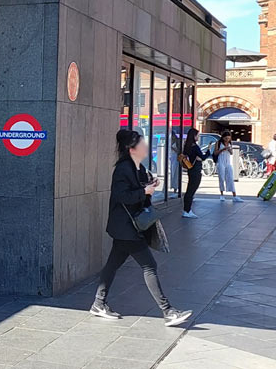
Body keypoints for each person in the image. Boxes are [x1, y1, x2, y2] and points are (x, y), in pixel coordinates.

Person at [91, 130, 192, 327]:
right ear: (131, 148)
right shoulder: (123, 168)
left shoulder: (137, 167)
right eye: (141, 143)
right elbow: (122, 196)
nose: (145, 146)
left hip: (128, 226)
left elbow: (139, 191)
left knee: (112, 265)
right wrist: (144, 191)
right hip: (126, 226)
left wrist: (150, 185)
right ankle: (168, 311)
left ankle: (98, 303)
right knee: (149, 266)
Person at [182, 128, 206, 219]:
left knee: (189, 190)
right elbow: (203, 157)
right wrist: (208, 151)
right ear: (194, 136)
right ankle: (187, 210)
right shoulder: (195, 147)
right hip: (196, 170)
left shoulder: (187, 146)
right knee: (191, 191)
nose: (198, 137)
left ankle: (186, 209)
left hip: (190, 169)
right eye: (197, 135)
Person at [212, 131, 243, 203]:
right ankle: (222, 194)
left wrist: (229, 149)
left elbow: (232, 153)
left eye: (228, 138)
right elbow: (215, 153)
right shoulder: (218, 143)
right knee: (221, 178)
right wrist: (222, 149)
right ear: (223, 138)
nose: (227, 140)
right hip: (221, 161)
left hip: (228, 162)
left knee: (230, 178)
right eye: (226, 138)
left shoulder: (230, 143)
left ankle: (234, 195)